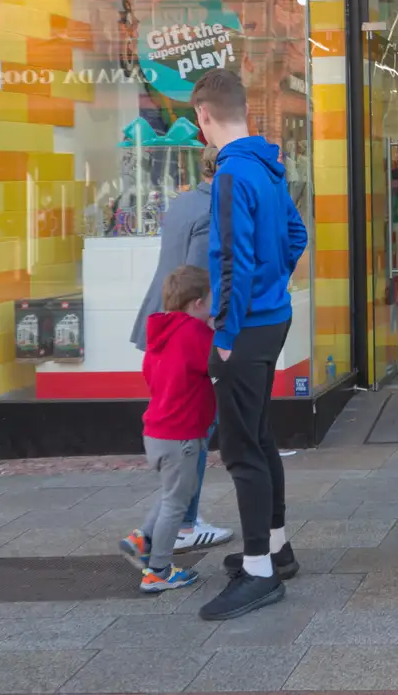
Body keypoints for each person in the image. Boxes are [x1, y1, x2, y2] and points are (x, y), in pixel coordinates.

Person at [190, 70, 308, 622]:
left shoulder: (232, 175)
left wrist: (229, 334)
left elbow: (233, 262)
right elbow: (295, 236)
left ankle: (259, 571)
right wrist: (274, 284)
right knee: (260, 437)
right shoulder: (268, 166)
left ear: (205, 116)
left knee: (242, 449)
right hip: (272, 318)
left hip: (246, 328)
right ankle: (275, 548)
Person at [127, 146, 232, 553]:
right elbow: (196, 280)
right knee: (196, 428)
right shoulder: (211, 211)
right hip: (185, 329)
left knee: (185, 422)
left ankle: (170, 521)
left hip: (161, 323)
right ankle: (184, 522)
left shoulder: (184, 201)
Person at [120, 265, 216, 594]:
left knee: (173, 493)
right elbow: (217, 362)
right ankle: (158, 570)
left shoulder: (161, 334)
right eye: (212, 298)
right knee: (177, 503)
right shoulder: (196, 335)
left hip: (157, 432)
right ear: (198, 303)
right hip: (182, 435)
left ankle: (142, 538)